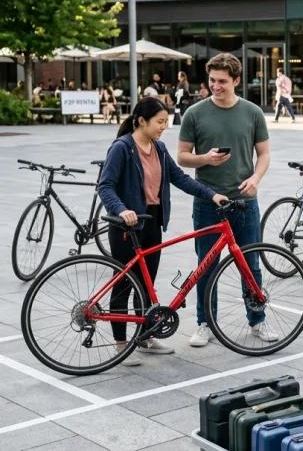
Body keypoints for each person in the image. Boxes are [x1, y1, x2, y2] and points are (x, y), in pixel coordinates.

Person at [97, 98, 228, 366]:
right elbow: (105, 186)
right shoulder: (122, 148)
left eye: (166, 122)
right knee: (124, 283)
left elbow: (179, 178)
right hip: (127, 224)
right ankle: (120, 345)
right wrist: (122, 210)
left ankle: (144, 337)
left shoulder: (158, 147)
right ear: (141, 121)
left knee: (146, 283)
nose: (163, 127)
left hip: (152, 221)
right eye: (159, 122)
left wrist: (211, 194)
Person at [177, 53, 274, 348]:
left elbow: (265, 154)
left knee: (251, 264)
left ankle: (257, 320)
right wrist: (205, 158)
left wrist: (255, 179)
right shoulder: (194, 113)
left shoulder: (252, 112)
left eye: (221, 81)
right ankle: (205, 323)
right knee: (205, 265)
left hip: (245, 201)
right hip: (208, 201)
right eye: (211, 81)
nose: (215, 86)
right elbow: (181, 156)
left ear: (235, 80)